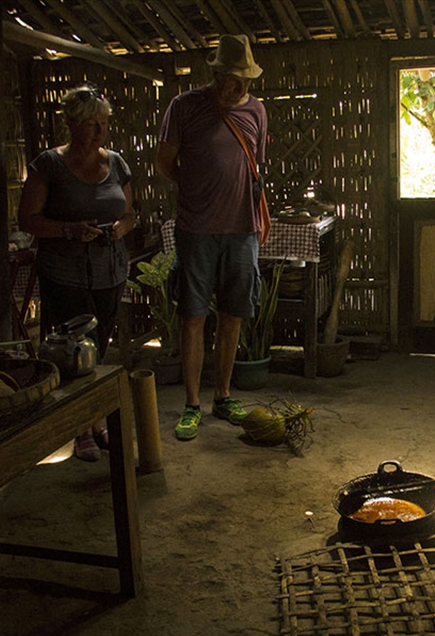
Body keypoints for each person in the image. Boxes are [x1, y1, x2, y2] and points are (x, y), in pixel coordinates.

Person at [155, 34, 268, 441]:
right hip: (197, 230)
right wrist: (198, 188)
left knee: (233, 316)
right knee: (193, 317)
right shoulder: (184, 106)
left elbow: (255, 165)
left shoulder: (256, 110)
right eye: (228, 79)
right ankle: (191, 404)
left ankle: (223, 395)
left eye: (242, 81)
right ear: (215, 74)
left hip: (242, 230)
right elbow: (165, 163)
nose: (235, 88)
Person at [17, 83, 137, 462]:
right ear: (71, 124)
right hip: (64, 272)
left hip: (109, 271)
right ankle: (80, 429)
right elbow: (27, 220)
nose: (100, 132)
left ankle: (96, 423)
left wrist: (119, 229)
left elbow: (131, 214)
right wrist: (68, 230)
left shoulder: (116, 163)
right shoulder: (49, 165)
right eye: (91, 124)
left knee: (99, 348)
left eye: (103, 123)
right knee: (71, 351)